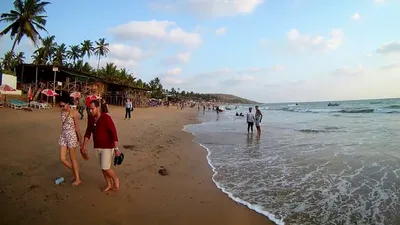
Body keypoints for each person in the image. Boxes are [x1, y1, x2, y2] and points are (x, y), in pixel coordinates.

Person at [81, 100, 121, 192]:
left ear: (98, 108)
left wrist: (116, 149)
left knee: (105, 167)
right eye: (89, 109)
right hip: (97, 146)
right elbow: (88, 132)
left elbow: (114, 133)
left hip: (107, 146)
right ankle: (109, 184)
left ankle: (115, 179)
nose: (90, 111)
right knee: (103, 168)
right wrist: (83, 146)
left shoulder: (106, 118)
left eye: (92, 109)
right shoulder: (91, 119)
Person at [58, 97, 82, 186]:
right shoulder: (62, 112)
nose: (61, 107)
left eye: (63, 105)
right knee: (62, 158)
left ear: (67, 103)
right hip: (63, 136)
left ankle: (78, 179)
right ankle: (75, 172)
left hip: (72, 137)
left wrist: (80, 140)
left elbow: (77, 127)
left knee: (73, 158)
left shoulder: (74, 113)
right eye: (60, 105)